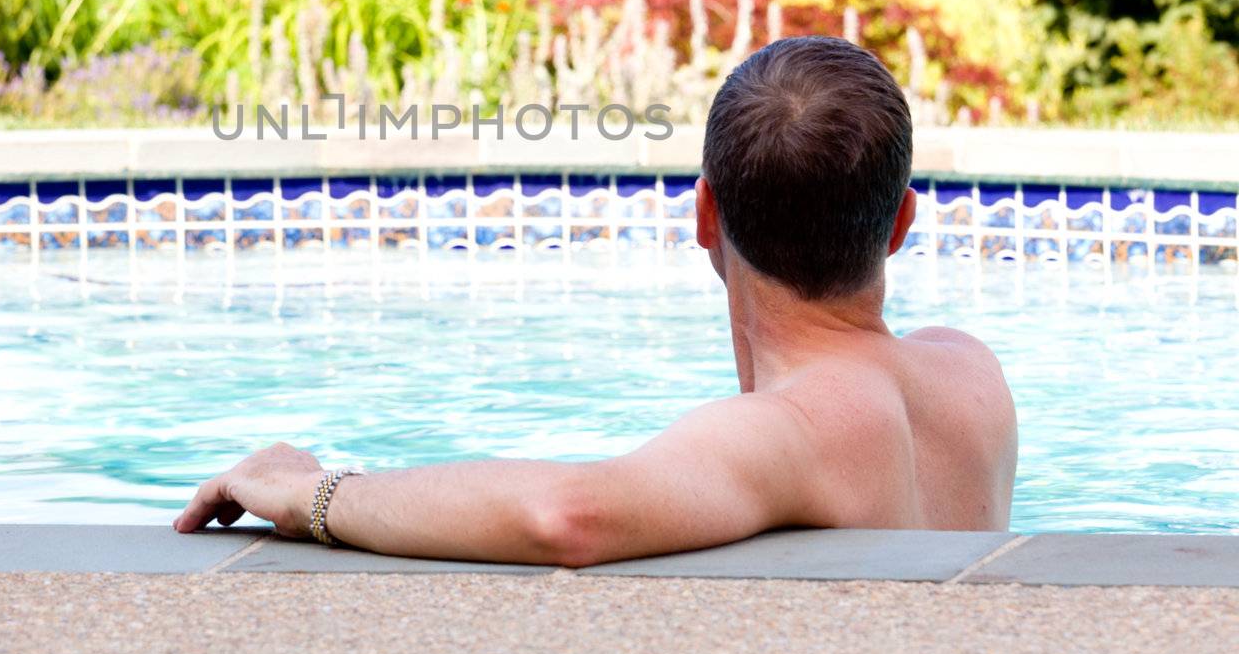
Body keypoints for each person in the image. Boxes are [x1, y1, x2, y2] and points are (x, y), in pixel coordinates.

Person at [175, 36, 1017, 566]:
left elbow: (566, 514)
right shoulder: (970, 373)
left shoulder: (788, 433)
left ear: (704, 212)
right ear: (903, 217)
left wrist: (314, 492)